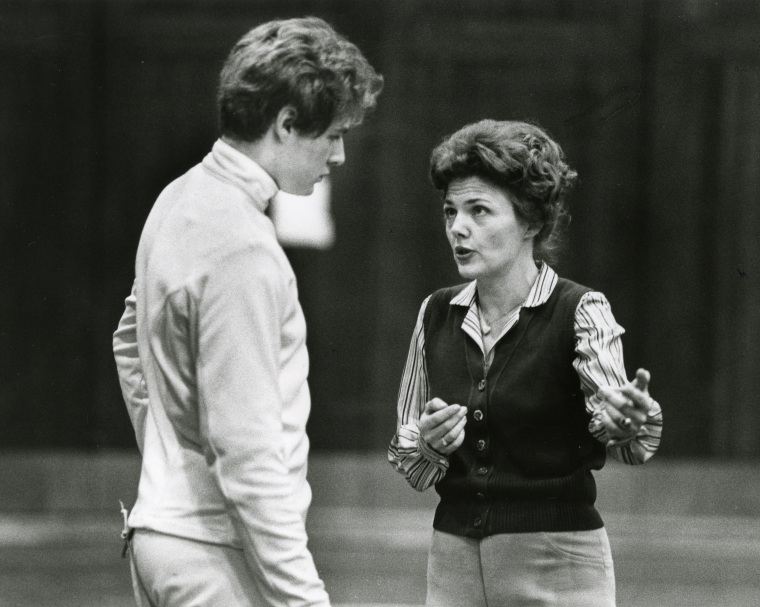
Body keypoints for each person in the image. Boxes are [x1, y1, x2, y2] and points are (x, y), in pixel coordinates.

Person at [112, 17, 382, 607]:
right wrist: (304, 598)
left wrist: (171, 465)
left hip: (163, 538)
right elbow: (247, 448)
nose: (338, 155)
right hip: (215, 554)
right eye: (332, 134)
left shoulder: (178, 198)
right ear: (286, 124)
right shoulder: (243, 245)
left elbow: (129, 345)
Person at [388, 119, 662, 607]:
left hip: (558, 565)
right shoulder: (435, 312)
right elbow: (411, 461)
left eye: (479, 211)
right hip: (453, 564)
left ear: (531, 222)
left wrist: (626, 420)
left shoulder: (580, 310)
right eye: (450, 211)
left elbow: (624, 437)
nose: (458, 228)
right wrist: (429, 444)